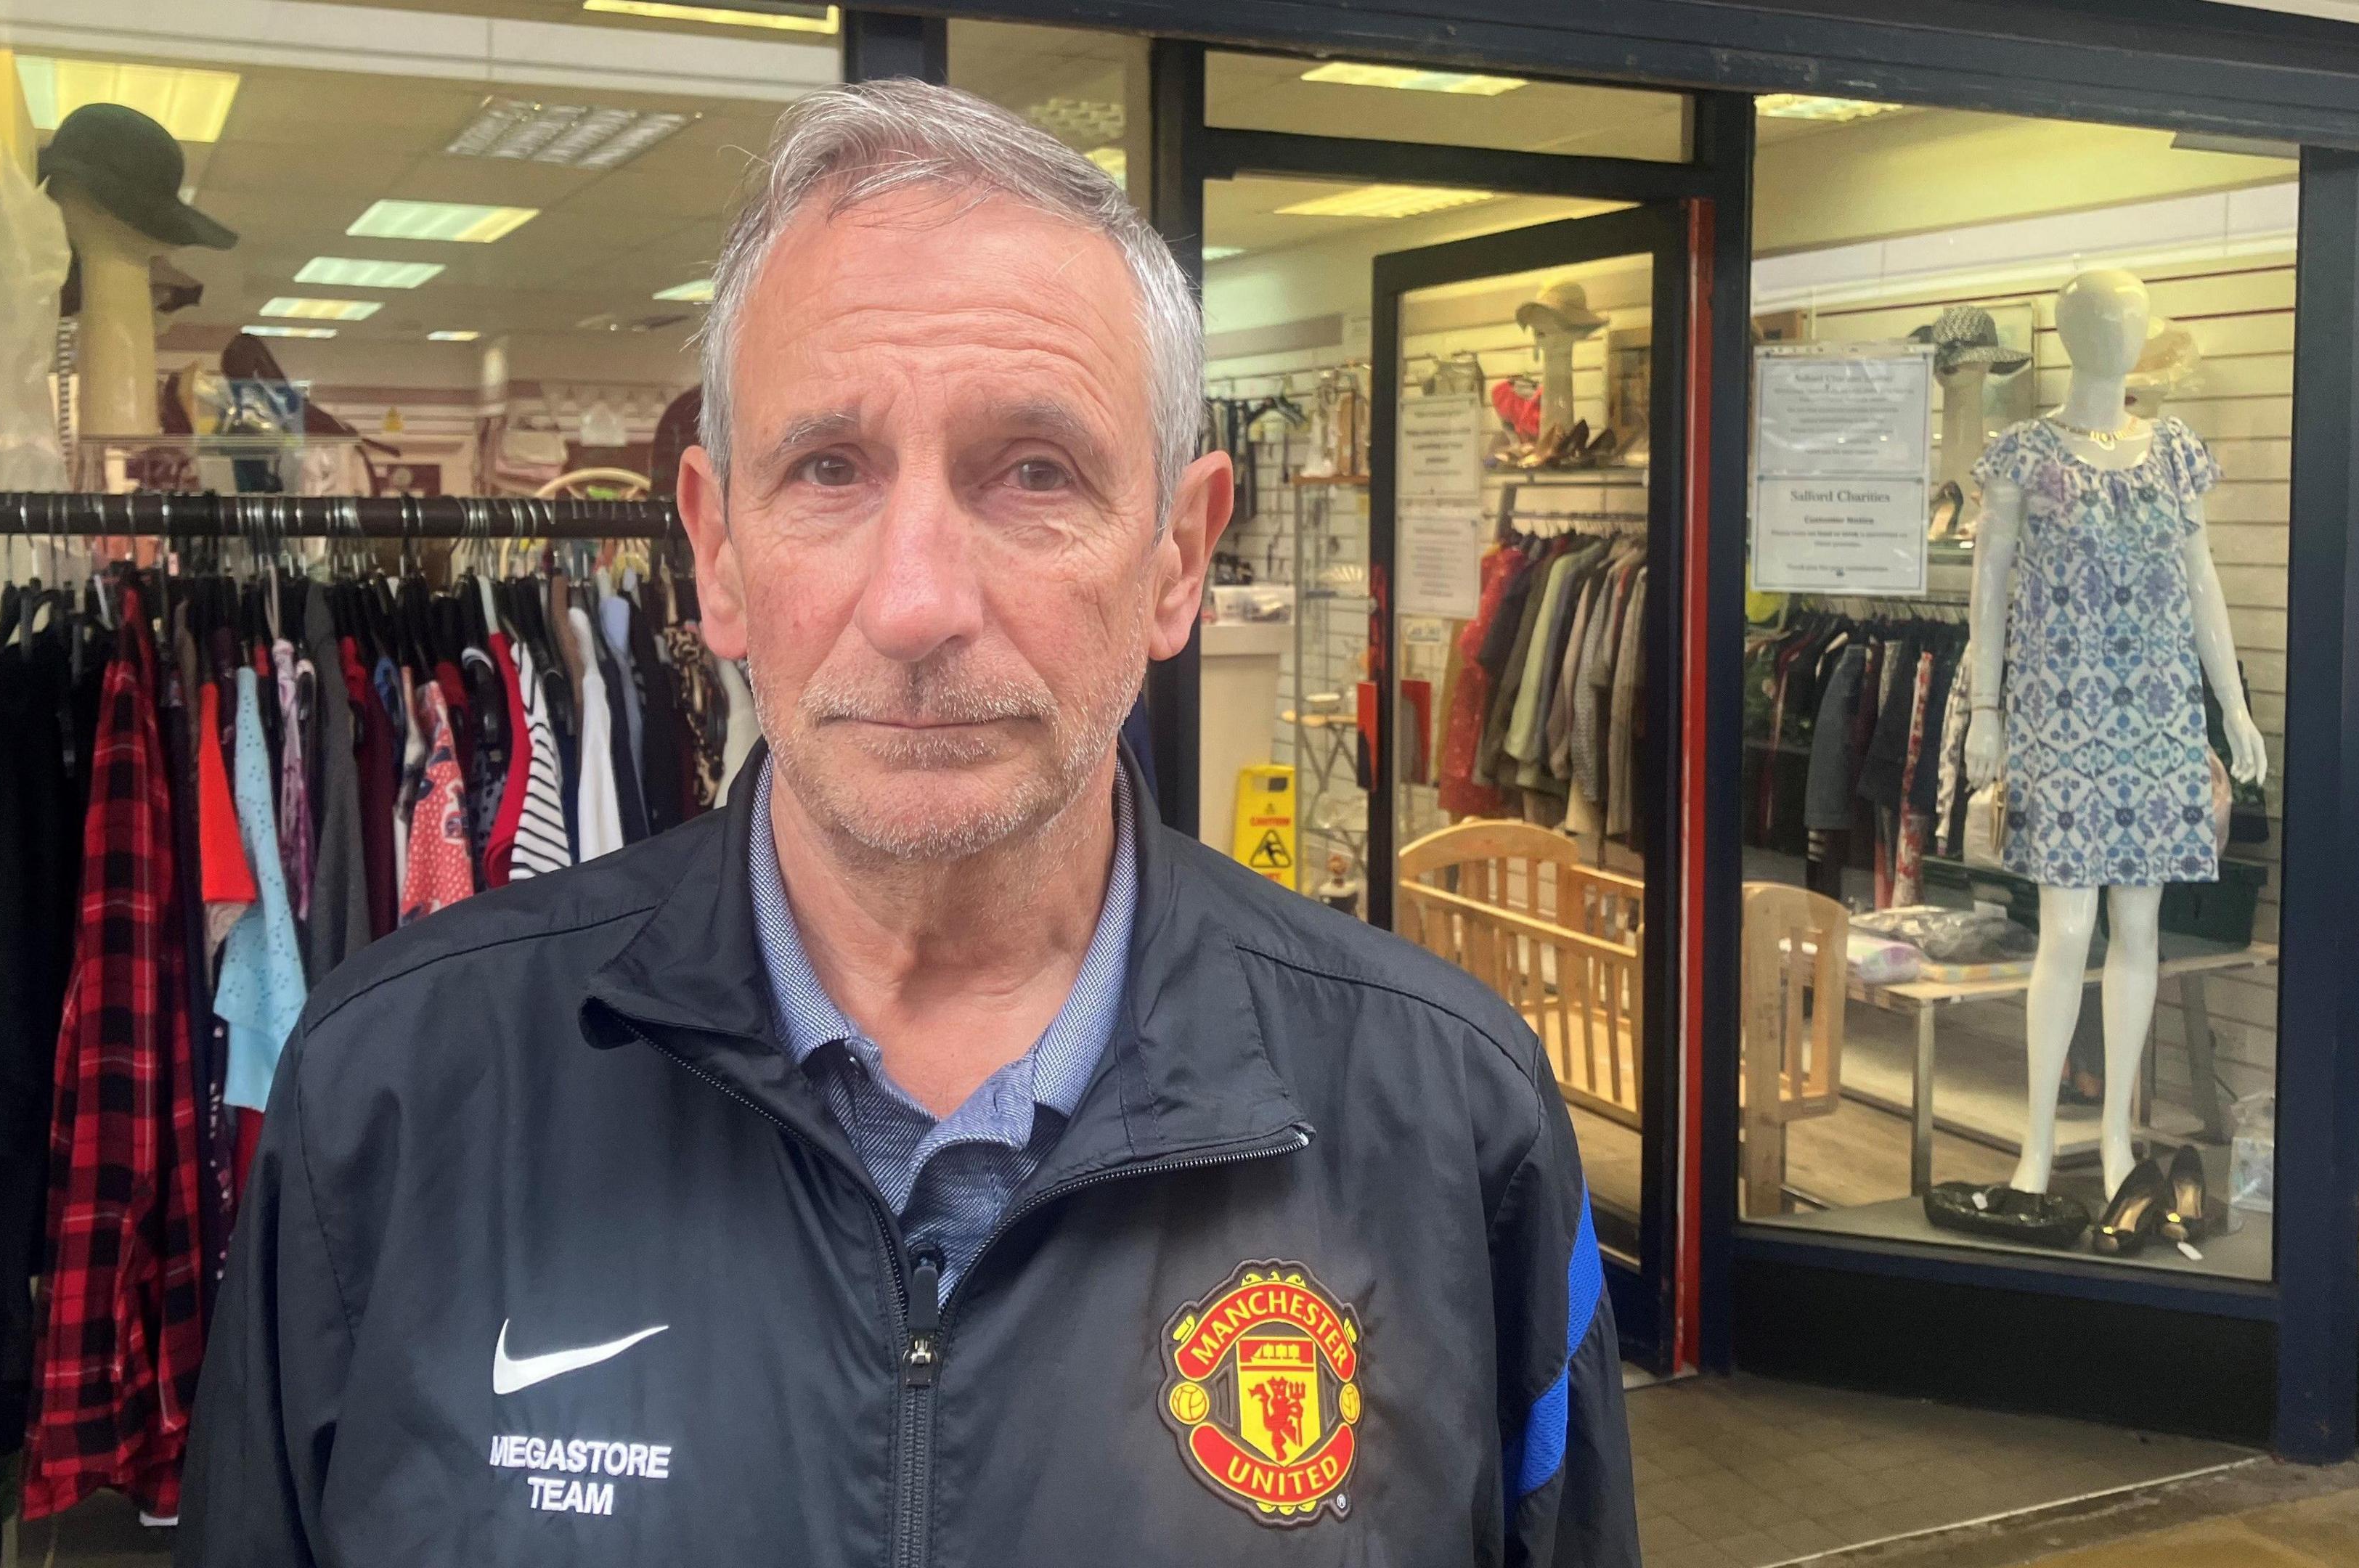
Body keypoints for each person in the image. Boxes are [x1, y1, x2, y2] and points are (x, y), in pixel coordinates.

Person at [181, 78, 1634, 1566]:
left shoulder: (1451, 1125)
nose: (919, 601)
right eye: (829, 470)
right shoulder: (402, 1096)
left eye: (1034, 472)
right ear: (718, 552)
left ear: (1178, 557)